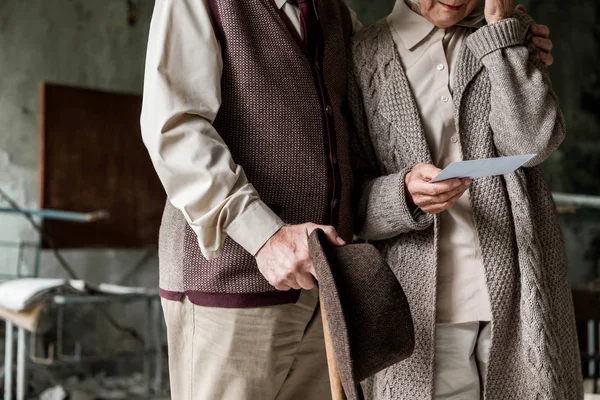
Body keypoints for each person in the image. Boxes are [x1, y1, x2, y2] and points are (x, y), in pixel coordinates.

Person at [140, 0, 556, 399]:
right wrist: (264, 236)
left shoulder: (334, 14)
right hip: (232, 280)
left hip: (328, 287)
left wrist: (510, 42)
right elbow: (175, 131)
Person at [348, 0, 581, 399]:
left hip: (521, 297)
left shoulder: (506, 34)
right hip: (418, 312)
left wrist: (501, 33)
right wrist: (402, 195)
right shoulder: (362, 56)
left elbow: (533, 141)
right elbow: (349, 201)